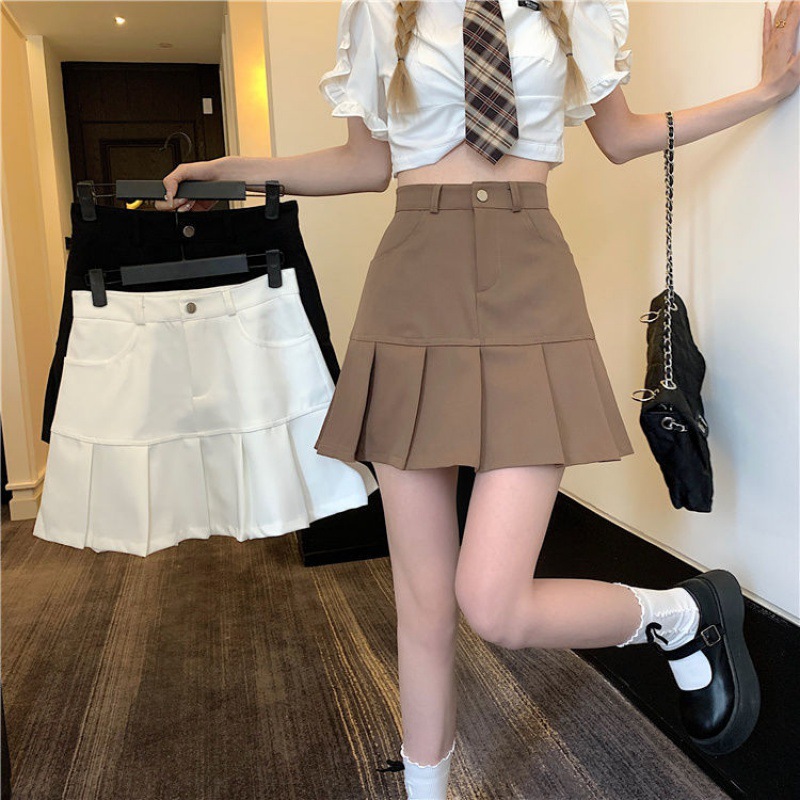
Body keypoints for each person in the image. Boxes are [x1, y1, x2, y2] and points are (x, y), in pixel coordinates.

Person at [158, 2, 799, 797]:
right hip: (412, 285)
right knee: (423, 603)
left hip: (530, 279)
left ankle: (675, 614)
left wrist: (765, 93)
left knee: (492, 604)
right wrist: (234, 171)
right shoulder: (378, 9)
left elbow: (622, 136)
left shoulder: (574, 7)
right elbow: (364, 164)